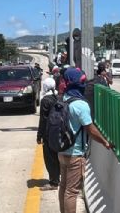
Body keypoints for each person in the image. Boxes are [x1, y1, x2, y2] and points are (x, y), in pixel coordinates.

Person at [58, 68, 112, 213]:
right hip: (75, 154)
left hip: (62, 150)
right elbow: (91, 129)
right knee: (72, 192)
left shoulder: (62, 99)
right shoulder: (81, 105)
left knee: (63, 186)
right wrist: (105, 142)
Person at [36, 77, 60, 191]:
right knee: (57, 156)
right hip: (58, 131)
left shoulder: (45, 100)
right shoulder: (57, 97)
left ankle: (53, 182)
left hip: (48, 133)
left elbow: (43, 120)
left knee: (50, 158)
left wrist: (39, 136)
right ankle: (57, 179)